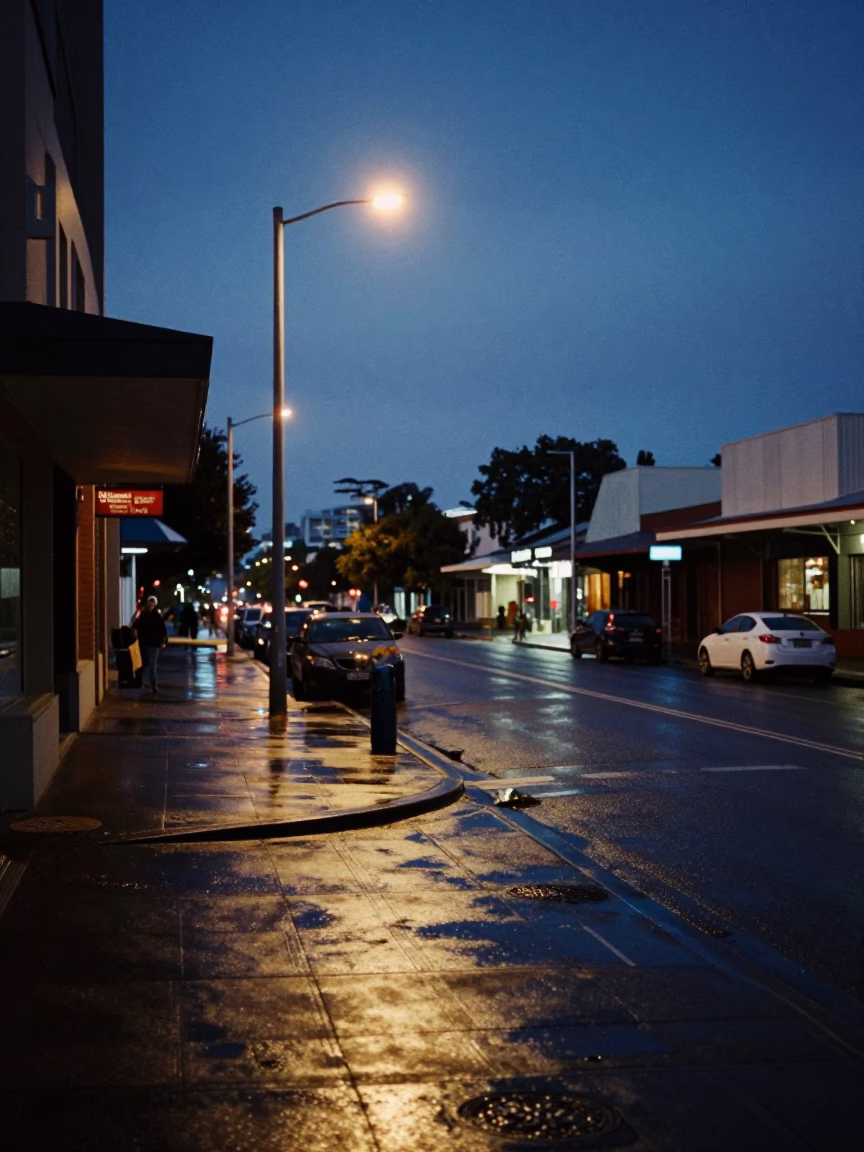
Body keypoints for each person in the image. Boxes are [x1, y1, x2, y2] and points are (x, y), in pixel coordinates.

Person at [133, 595, 168, 694]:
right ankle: (154, 685)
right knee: (153, 664)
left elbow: (135, 625)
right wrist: (164, 641)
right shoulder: (157, 615)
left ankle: (140, 682)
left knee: (143, 663)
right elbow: (162, 629)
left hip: (144, 642)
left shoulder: (143, 615)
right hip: (154, 643)